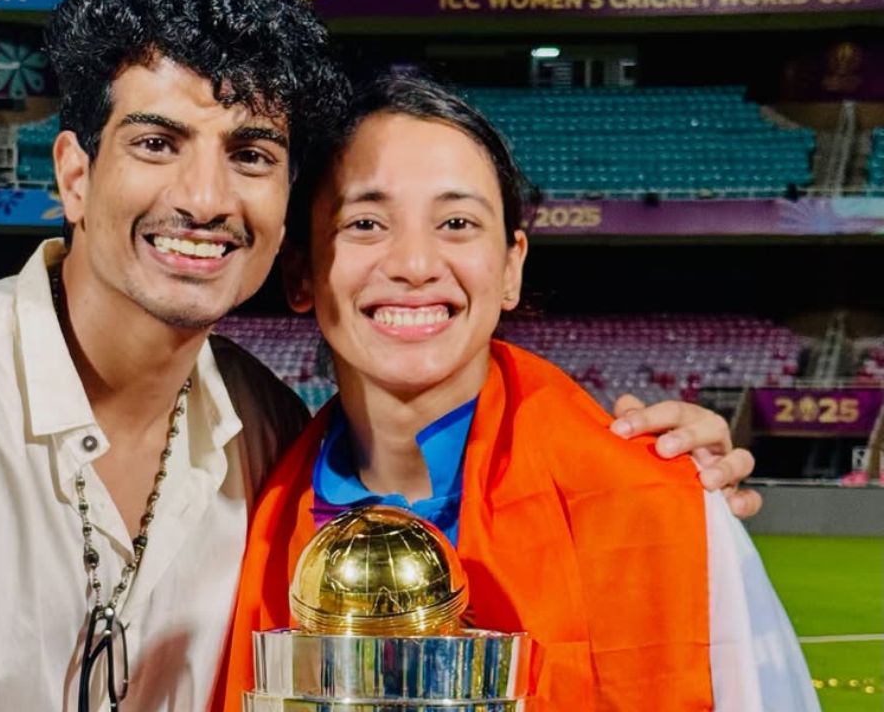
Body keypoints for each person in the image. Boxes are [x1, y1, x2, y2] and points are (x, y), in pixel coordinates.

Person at [0, 0, 759, 710]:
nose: (202, 198)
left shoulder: (269, 444)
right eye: (155, 143)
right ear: (74, 172)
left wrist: (653, 478)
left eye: (249, 154)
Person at [213, 75, 816, 712]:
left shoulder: (660, 508)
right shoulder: (236, 511)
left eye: (456, 222)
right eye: (365, 222)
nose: (415, 264)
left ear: (509, 268)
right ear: (302, 271)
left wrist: (686, 499)